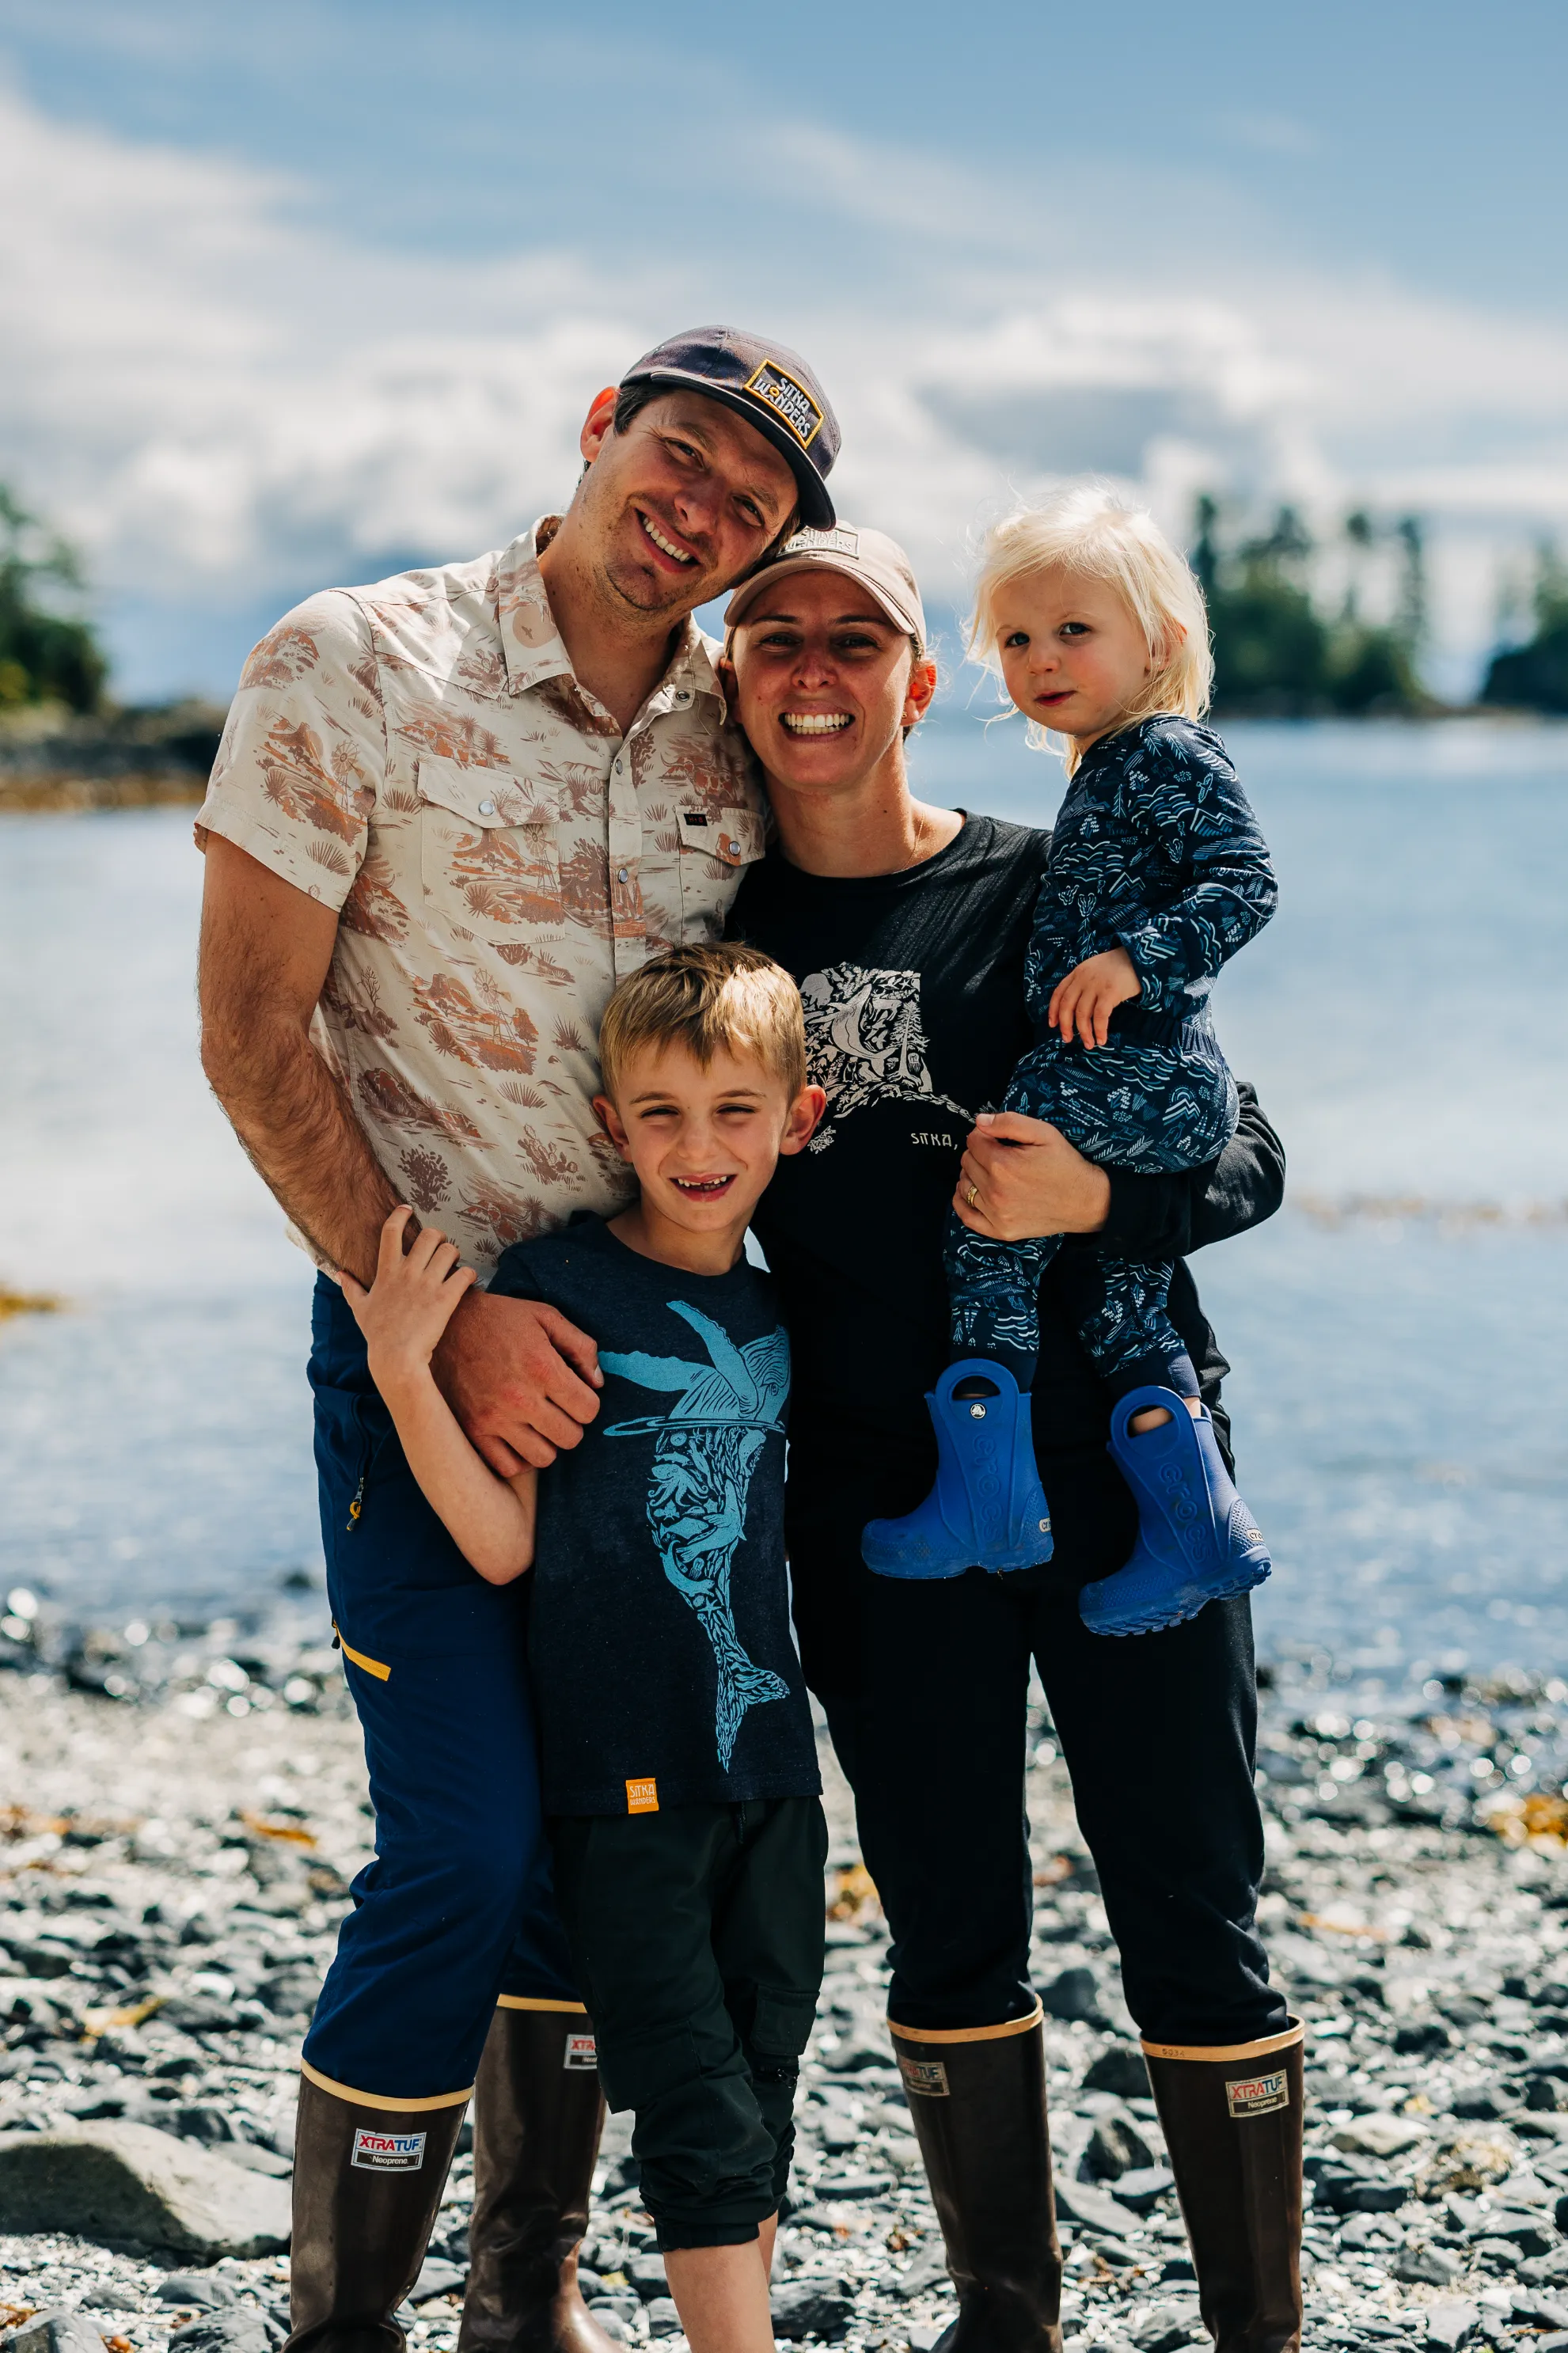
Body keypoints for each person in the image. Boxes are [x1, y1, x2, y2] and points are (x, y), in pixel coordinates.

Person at [193, 325, 841, 2353]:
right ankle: (343, 2324)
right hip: (425, 1361)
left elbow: (857, 942)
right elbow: (248, 1035)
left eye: (749, 502)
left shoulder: (738, 733)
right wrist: (453, 1327)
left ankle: (523, 2295)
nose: (699, 509)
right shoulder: (355, 659)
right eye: (681, 453)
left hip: (662, 1401)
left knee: (591, 1845)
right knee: (464, 1851)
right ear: (597, 429)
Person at [725, 522, 1303, 2353]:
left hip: (1132, 1470)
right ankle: (1004, 2317)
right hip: (883, 1490)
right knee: (948, 1915)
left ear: (919, 682)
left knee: (1194, 1904)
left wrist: (1103, 1203)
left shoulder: (1052, 883)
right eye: (773, 638)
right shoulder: (715, 939)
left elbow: (1248, 1150)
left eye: (857, 639)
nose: (814, 671)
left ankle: (1260, 2329)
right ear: (732, 683)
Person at [334, 944, 829, 2353]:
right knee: (692, 2102)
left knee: (764, 2088)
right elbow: (505, 1544)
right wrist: (402, 1368)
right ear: (610, 1123)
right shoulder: (558, 1286)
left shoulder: (785, 1309)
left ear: (796, 1120)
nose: (696, 1146)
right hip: (624, 1789)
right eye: (660, 1113)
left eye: (734, 1112)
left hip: (773, 1774)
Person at [864, 488, 1278, 1638]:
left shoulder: (1162, 752)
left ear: (1162, 640)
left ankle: (988, 1501)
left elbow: (1247, 883)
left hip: (1127, 1068)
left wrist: (1134, 961)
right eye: (1015, 639)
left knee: (990, 1206)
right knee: (1118, 1301)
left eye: (1074, 630)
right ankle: (1197, 1530)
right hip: (1155, 1078)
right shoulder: (1107, 763)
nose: (1041, 659)